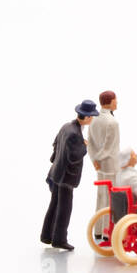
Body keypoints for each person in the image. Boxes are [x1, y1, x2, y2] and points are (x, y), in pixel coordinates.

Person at [42, 100, 98, 250]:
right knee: (64, 208)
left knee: (54, 205)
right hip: (66, 177)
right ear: (86, 118)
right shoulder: (75, 134)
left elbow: (56, 145)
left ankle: (47, 235)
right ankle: (59, 239)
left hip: (56, 172)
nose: (92, 119)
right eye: (92, 116)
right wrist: (84, 146)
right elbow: (74, 156)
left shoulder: (66, 127)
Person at [87, 90, 120, 241]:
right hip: (110, 164)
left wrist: (94, 159)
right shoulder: (112, 123)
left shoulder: (93, 119)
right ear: (111, 101)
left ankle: (98, 229)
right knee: (111, 198)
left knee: (100, 196)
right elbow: (109, 147)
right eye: (116, 100)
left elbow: (90, 142)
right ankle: (108, 232)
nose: (117, 102)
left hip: (99, 165)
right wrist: (99, 158)